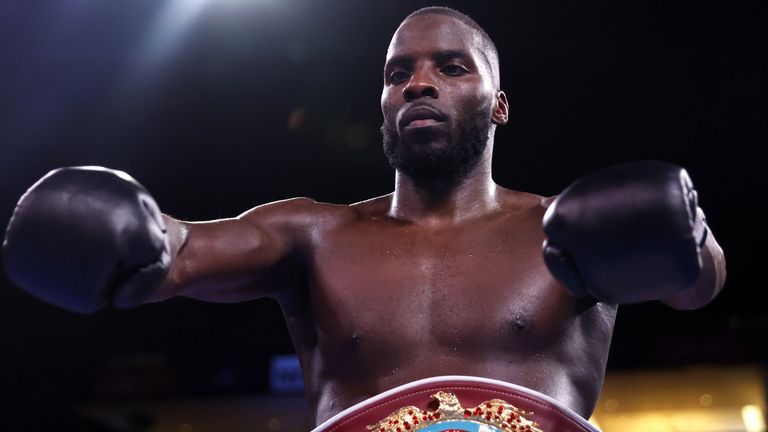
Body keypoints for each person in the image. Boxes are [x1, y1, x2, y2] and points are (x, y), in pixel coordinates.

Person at [3, 7, 725, 432]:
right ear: (381, 102)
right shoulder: (314, 236)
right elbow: (173, 254)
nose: (417, 83)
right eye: (397, 72)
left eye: (451, 67)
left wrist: (690, 242)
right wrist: (127, 235)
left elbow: (697, 288)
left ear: (499, 103)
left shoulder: (566, 232)